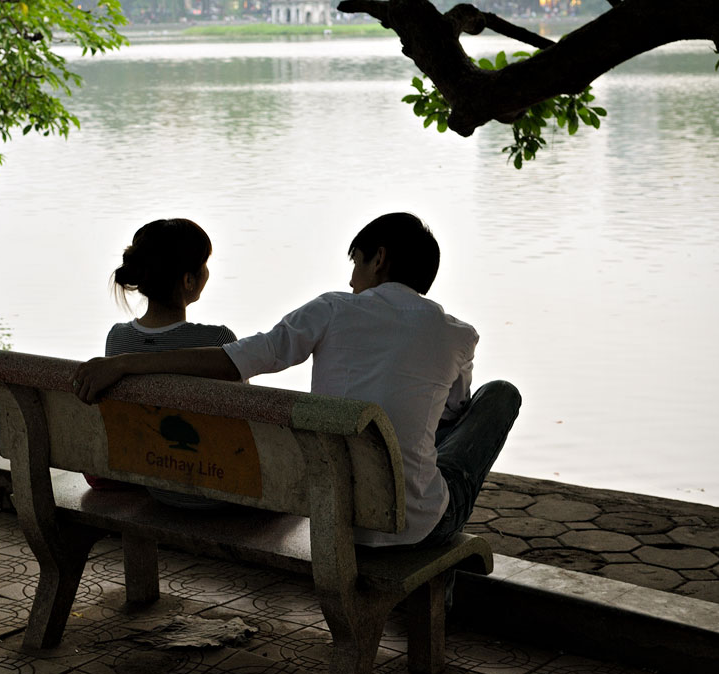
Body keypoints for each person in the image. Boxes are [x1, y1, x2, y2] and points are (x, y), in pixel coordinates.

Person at [73, 212, 520, 547]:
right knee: (497, 396)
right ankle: (439, 594)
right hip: (416, 523)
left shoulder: (330, 310)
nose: (351, 278)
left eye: (357, 264)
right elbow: (454, 415)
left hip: (334, 511)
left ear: (379, 258)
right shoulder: (460, 334)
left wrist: (125, 363)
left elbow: (239, 360)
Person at [85, 218, 237, 509]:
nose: (207, 272)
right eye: (204, 264)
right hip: (218, 491)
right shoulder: (218, 339)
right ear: (188, 280)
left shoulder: (117, 341)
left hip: (156, 483)